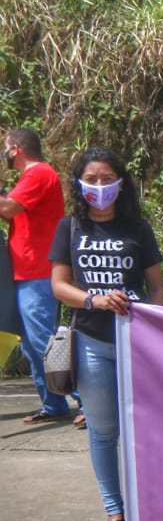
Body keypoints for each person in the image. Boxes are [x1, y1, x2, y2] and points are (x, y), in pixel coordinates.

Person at [50, 147, 163, 521]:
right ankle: (115, 513)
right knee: (103, 432)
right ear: (79, 184)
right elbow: (59, 285)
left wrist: (159, 333)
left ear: (121, 183)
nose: (100, 186)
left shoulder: (138, 229)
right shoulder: (69, 228)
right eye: (92, 179)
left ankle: (149, 509)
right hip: (93, 343)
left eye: (107, 178)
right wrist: (94, 300)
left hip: (138, 345)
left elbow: (157, 288)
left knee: (147, 430)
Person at [0, 128, 75, 424]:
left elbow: (7, 208)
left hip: (39, 271)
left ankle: (83, 401)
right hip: (26, 272)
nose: (5, 153)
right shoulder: (28, 178)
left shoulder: (38, 174)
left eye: (6, 148)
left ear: (16, 149)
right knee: (32, 345)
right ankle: (53, 404)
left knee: (44, 340)